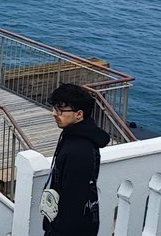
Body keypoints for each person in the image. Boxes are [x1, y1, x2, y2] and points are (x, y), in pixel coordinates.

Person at [43, 83, 110, 236]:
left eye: (60, 109)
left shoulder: (79, 151)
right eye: (54, 107)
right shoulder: (73, 136)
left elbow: (74, 199)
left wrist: (56, 228)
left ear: (79, 114)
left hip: (68, 229)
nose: (54, 113)